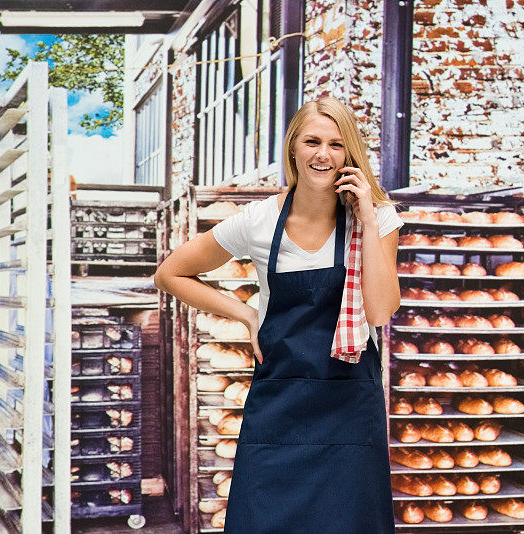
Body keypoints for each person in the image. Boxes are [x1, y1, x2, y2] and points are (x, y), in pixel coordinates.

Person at [154, 96, 402, 533]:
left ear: (350, 154)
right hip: (280, 408)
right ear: (293, 149)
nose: (323, 154)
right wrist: (247, 314)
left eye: (336, 144)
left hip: (349, 407)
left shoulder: (378, 217)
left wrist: (365, 212)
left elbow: (380, 310)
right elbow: (171, 273)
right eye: (312, 141)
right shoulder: (259, 220)